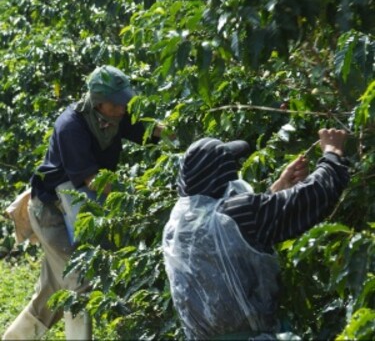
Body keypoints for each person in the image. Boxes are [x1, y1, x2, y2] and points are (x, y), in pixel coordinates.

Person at [2, 65, 164, 340]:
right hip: (50, 213)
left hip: (77, 210)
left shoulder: (117, 115)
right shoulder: (71, 126)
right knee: (81, 280)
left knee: (54, 289)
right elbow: (92, 180)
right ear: (100, 103)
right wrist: (138, 197)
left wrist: (179, 130)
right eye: (117, 104)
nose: (124, 109)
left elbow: (150, 130)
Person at [162, 129, 349, 340]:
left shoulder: (177, 228)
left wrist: (278, 190)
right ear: (224, 175)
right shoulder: (237, 213)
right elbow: (313, 196)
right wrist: (332, 153)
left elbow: (236, 242)